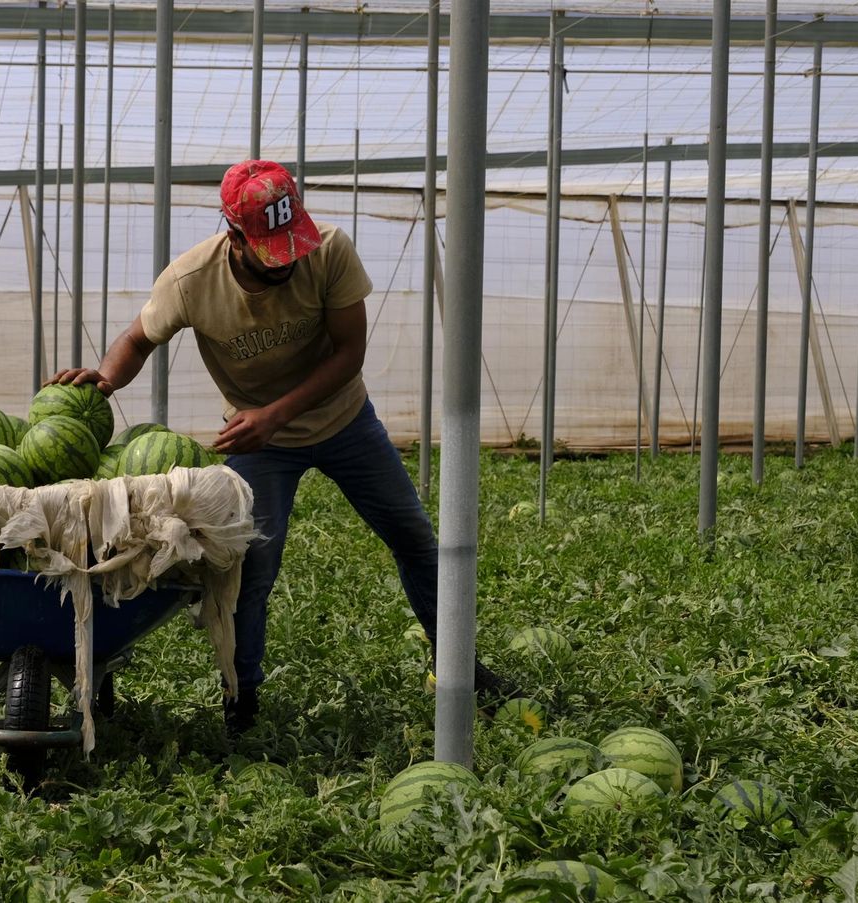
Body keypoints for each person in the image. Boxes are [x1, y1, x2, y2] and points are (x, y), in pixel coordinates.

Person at [49, 159, 517, 736]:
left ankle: (461, 669)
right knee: (251, 569)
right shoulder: (191, 282)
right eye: (272, 251)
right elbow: (137, 339)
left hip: (346, 422)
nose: (288, 261)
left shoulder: (329, 250)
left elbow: (349, 353)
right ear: (235, 235)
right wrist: (104, 380)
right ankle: (240, 699)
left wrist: (275, 414)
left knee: (416, 539)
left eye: (291, 245)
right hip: (259, 443)